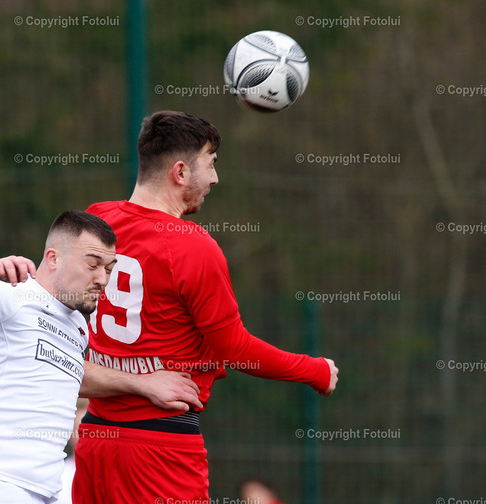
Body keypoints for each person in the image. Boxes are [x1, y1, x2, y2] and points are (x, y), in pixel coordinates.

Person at [73, 111, 339, 503]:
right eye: (210, 164)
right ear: (180, 172)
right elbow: (236, 349)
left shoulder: (96, 220)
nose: (215, 178)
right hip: (158, 450)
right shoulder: (192, 246)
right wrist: (314, 370)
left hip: (95, 440)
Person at [0, 210, 203, 504]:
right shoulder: (9, 295)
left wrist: (144, 383)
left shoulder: (78, 326)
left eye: (108, 269)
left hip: (39, 493)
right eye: (92, 264)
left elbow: (71, 374)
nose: (102, 279)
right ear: (53, 258)